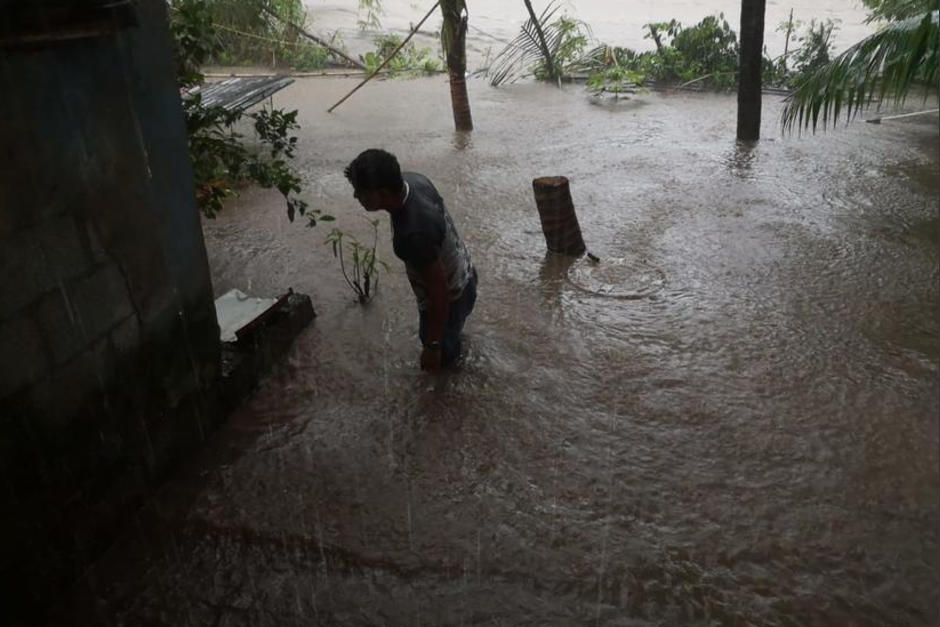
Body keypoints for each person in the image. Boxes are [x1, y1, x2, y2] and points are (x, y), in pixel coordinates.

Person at [344, 149, 477, 372]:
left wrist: (433, 345)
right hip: (467, 276)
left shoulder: (412, 236)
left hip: (450, 298)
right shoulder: (415, 180)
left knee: (440, 369)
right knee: (454, 338)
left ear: (383, 193)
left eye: (362, 192)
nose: (356, 197)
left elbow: (439, 293)